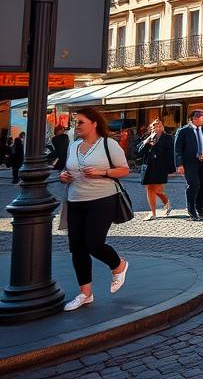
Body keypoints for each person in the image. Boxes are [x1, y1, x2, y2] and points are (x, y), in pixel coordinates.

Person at [58, 107, 130, 312]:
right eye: (75, 122)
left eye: (80, 122)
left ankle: (118, 264)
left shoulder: (109, 144)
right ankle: (85, 294)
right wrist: (63, 176)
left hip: (102, 199)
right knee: (77, 248)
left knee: (94, 243)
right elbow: (67, 169)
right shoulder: (73, 146)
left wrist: (102, 171)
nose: (76, 126)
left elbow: (124, 170)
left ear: (94, 123)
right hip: (75, 200)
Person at [174, 110, 203, 220]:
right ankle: (191, 210)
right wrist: (179, 164)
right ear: (194, 118)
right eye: (201, 117)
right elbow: (177, 149)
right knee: (193, 185)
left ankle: (200, 208)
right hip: (189, 163)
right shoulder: (183, 131)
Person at [137, 119, 175, 220]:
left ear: (162, 126)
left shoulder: (167, 137)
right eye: (154, 125)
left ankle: (167, 203)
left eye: (159, 124)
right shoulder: (147, 136)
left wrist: (171, 169)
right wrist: (147, 141)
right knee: (150, 188)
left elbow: (170, 154)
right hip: (148, 166)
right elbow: (138, 152)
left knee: (158, 189)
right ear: (151, 127)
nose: (156, 126)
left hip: (161, 167)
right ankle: (153, 213)